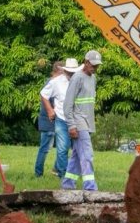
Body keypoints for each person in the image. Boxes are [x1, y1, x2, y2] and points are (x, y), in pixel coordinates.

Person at [61, 49, 102, 191]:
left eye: (97, 65)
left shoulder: (93, 78)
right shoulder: (77, 78)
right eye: (93, 65)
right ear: (86, 62)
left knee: (77, 156)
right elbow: (68, 104)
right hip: (78, 122)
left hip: (88, 122)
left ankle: (68, 184)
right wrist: (71, 125)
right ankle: (90, 187)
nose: (95, 68)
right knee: (87, 154)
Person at [39, 57, 81, 178]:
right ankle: (63, 175)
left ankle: (74, 173)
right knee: (62, 149)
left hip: (77, 119)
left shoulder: (81, 80)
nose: (71, 74)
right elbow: (43, 94)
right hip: (62, 120)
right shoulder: (56, 82)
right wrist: (49, 110)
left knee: (77, 149)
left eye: (74, 72)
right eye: (69, 72)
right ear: (65, 71)